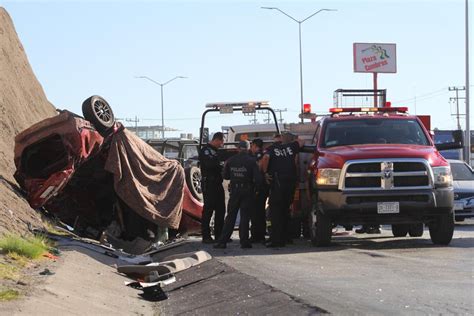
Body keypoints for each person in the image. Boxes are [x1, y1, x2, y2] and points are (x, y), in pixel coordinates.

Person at [214, 140, 261, 249]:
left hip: (235, 191)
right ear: (248, 148)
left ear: (238, 148)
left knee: (230, 216)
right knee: (245, 217)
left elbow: (225, 176)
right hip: (248, 190)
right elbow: (258, 179)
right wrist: (257, 190)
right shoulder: (252, 161)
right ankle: (244, 242)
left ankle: (222, 242)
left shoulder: (231, 160)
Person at [261, 132, 304, 247]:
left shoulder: (271, 148)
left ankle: (276, 240)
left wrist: (265, 173)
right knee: (286, 210)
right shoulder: (291, 147)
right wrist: (294, 140)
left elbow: (265, 158)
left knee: (275, 212)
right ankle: (287, 237)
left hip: (278, 183)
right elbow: (301, 141)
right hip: (290, 183)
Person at [199, 132, 226, 244]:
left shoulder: (216, 152)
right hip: (209, 184)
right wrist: (221, 164)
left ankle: (219, 235)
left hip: (218, 183)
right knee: (208, 210)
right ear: (217, 140)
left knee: (221, 210)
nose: (222, 144)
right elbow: (210, 165)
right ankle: (206, 236)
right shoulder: (206, 150)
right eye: (222, 142)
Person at [249, 138, 267, 243]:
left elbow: (258, 170)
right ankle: (260, 234)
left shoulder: (258, 156)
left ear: (255, 146)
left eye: (252, 146)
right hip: (262, 187)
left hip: (258, 187)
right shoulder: (263, 154)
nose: (251, 148)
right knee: (259, 212)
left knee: (256, 212)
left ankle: (257, 235)